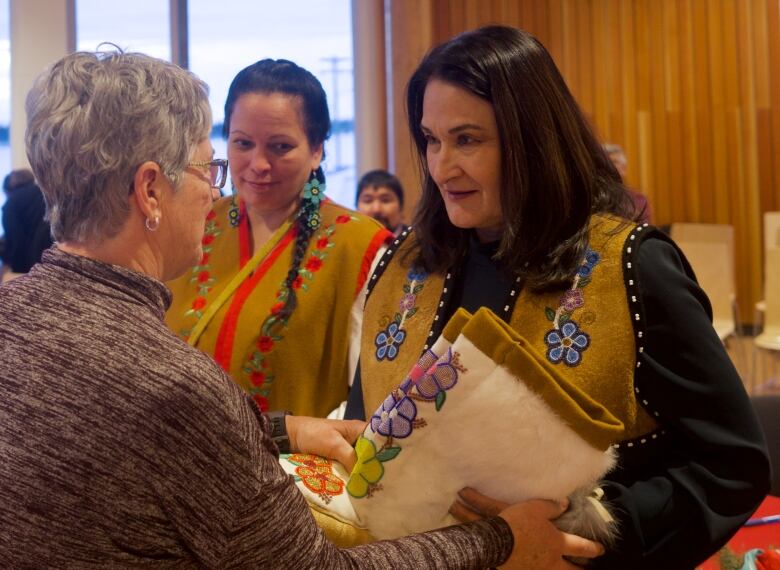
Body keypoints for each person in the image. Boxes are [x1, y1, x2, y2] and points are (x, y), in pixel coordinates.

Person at [0, 48, 606, 569]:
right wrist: (499, 542)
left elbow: (131, 425)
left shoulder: (10, 311)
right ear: (150, 190)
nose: (224, 184)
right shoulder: (174, 389)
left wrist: (281, 428)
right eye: (211, 163)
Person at [345, 25, 770, 569]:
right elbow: (364, 433)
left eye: (467, 139)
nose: (442, 165)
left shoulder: (631, 265)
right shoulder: (407, 264)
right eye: (431, 139)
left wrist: (583, 540)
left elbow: (730, 464)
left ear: (529, 140)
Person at [166, 59, 391, 418]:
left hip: (289, 468)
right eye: (242, 143)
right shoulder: (195, 223)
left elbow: (369, 401)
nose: (258, 164)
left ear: (316, 150)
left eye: (281, 146)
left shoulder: (360, 248)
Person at [0, 168, 53, 280]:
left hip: (29, 265)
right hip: (52, 256)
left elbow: (15, 241)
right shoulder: (46, 192)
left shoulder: (11, 205)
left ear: (7, 191)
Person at [603, 143, 653, 224]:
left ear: (624, 168)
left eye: (614, 162)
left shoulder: (639, 199)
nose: (609, 165)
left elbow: (645, 229)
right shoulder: (595, 197)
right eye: (606, 162)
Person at [355, 168, 408, 235]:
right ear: (356, 208)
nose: (377, 209)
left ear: (401, 207)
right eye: (368, 201)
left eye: (385, 200)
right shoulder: (346, 243)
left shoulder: (418, 242)